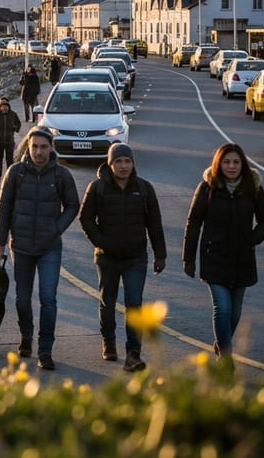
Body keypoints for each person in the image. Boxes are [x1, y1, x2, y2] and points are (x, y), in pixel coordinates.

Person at [0, 128, 79, 370]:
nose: (39, 151)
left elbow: (73, 205)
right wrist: (0, 242)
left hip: (50, 247)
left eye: (43, 147)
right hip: (21, 246)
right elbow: (4, 207)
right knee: (22, 299)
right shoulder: (16, 172)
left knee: (48, 299)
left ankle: (45, 350)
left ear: (51, 147)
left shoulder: (61, 175)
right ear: (28, 148)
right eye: (35, 147)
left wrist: (56, 228)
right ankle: (26, 337)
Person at [181, 142, 264, 369]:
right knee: (222, 308)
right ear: (218, 164)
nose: (231, 166)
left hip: (242, 258)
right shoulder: (207, 187)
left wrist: (252, 239)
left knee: (235, 311)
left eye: (236, 162)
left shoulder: (253, 187)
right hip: (215, 256)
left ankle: (221, 342)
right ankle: (226, 357)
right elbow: (193, 223)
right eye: (226, 162)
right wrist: (188, 258)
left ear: (242, 164)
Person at [78, 143, 166, 372]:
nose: (123, 166)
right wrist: (101, 242)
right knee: (107, 302)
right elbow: (85, 219)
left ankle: (133, 353)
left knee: (134, 304)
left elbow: (154, 224)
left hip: (136, 258)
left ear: (133, 163)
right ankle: (108, 341)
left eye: (127, 161)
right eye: (118, 161)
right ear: (110, 163)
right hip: (107, 258)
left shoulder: (144, 189)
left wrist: (160, 255)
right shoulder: (97, 187)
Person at [0, 96, 21, 181]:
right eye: (2, 106)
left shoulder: (13, 114)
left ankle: (10, 176)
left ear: (9, 106)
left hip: (9, 141)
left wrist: (15, 128)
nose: (4, 107)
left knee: (10, 159)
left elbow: (18, 123)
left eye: (6, 106)